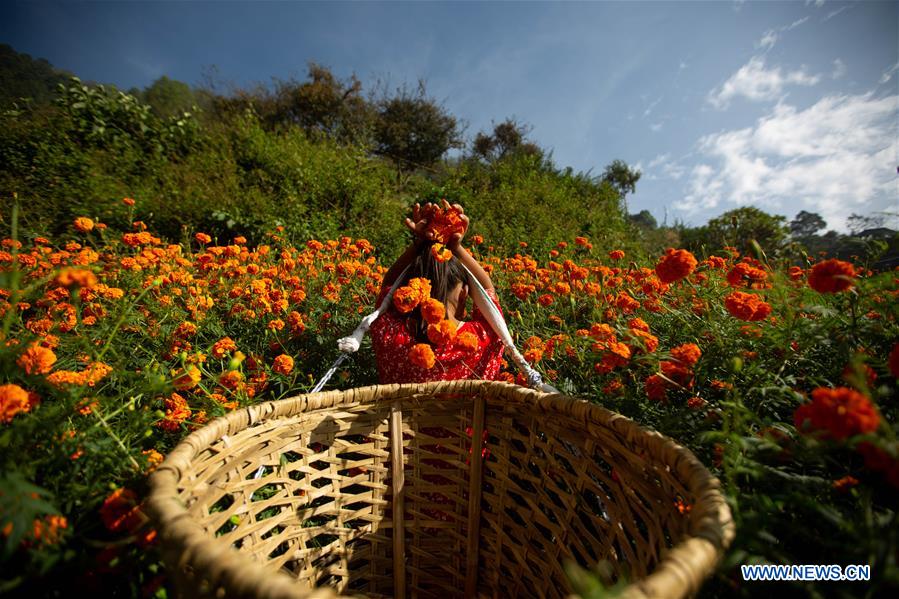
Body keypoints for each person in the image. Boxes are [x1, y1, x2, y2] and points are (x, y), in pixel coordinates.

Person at [369, 201, 505, 384]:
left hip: (402, 414)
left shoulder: (391, 337)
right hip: (468, 414)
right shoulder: (482, 339)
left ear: (407, 291)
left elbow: (388, 289)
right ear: (465, 293)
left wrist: (420, 244)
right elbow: (488, 296)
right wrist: (455, 246)